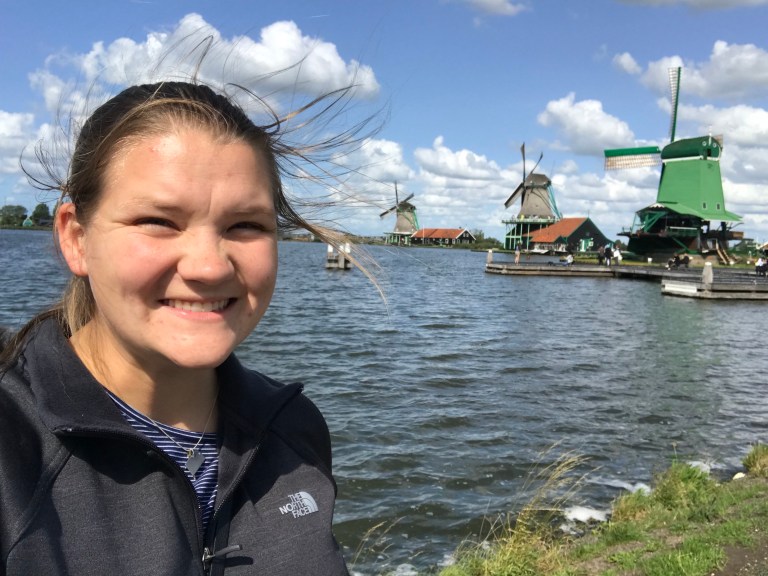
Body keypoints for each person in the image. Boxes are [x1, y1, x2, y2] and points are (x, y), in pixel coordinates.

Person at [0, 81, 358, 575]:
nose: (209, 267)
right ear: (77, 239)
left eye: (246, 225)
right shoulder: (12, 452)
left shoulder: (295, 427)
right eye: (158, 221)